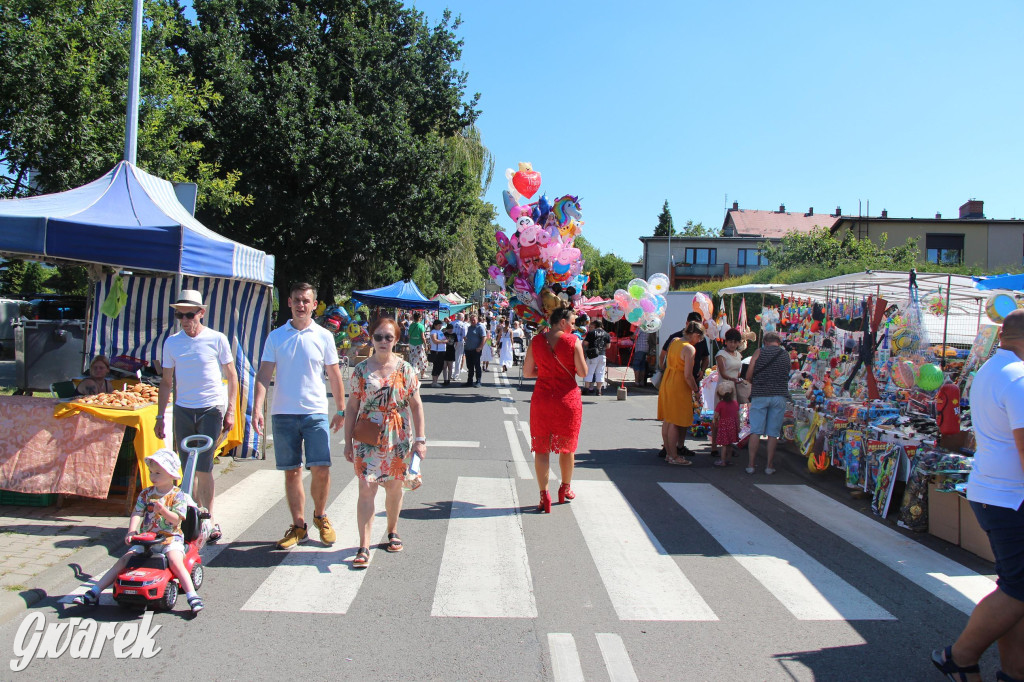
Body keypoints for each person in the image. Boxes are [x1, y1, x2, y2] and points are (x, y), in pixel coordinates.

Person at [933, 310, 1024, 682]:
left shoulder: (991, 370)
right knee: (1018, 589)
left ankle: (1013, 671)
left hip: (994, 491)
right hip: (1010, 497)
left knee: (1015, 589)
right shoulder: (1018, 378)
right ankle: (960, 655)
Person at [253, 282, 346, 550]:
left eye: (306, 300)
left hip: (314, 412)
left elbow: (334, 374)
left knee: (321, 469)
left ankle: (320, 516)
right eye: (297, 300)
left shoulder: (324, 336)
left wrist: (340, 409)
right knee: (292, 472)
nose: (301, 305)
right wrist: (258, 408)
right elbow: (264, 374)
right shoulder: (276, 337)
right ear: (289, 303)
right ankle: (298, 525)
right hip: (283, 413)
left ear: (314, 305)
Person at [71, 449, 203, 614]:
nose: (153, 476)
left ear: (171, 474)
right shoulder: (146, 494)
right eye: (151, 472)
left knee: (175, 560)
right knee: (124, 560)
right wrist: (132, 531)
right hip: (147, 539)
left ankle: (192, 595)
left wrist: (163, 510)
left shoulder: (178, 496)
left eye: (158, 473)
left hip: (170, 538)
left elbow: (176, 519)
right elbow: (137, 513)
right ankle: (94, 592)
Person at [155, 289, 238, 544]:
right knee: (184, 466)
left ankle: (209, 519)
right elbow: (166, 381)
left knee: (203, 466)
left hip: (210, 408)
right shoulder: (172, 342)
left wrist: (231, 409)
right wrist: (160, 416)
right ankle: (189, 514)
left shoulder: (216, 339)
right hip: (183, 408)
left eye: (189, 314)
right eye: (180, 314)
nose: (185, 320)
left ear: (201, 313)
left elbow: (232, 375)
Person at [343, 317, 427, 567]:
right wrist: (347, 442)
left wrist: (420, 440)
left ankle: (392, 530)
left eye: (388, 337)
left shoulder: (406, 369)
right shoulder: (361, 370)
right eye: (378, 336)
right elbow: (351, 407)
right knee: (366, 489)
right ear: (371, 338)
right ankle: (364, 545)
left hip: (398, 436)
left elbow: (416, 405)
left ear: (396, 340)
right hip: (368, 436)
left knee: (393, 487)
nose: (382, 341)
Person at [523, 306, 586, 513]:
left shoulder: (536, 341)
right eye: (573, 322)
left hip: (542, 398)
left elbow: (527, 372)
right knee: (567, 447)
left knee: (542, 448)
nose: (574, 326)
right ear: (562, 322)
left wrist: (546, 371)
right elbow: (583, 373)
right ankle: (565, 489)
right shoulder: (573, 341)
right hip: (567, 399)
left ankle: (544, 495)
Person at [658, 321, 704, 466]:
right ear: (696, 335)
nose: (699, 342)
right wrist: (696, 390)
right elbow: (688, 375)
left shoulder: (675, 341)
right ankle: (673, 456)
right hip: (679, 385)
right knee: (675, 422)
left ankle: (669, 454)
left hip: (668, 380)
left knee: (668, 419)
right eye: (700, 338)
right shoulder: (689, 349)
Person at [745, 331, 790, 474]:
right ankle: (769, 466)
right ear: (778, 342)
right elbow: (787, 373)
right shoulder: (785, 355)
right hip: (779, 396)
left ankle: (751, 465)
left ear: (765, 342)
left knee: (756, 431)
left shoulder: (759, 352)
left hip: (760, 394)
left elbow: (748, 375)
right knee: (773, 433)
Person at [710, 328, 746, 457]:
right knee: (718, 416)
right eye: (730, 341)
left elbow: (739, 371)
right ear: (726, 341)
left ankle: (729, 445)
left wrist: (740, 379)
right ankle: (714, 445)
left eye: (735, 342)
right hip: (723, 388)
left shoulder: (738, 355)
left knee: (733, 417)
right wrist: (734, 379)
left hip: (734, 388)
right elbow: (723, 373)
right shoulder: (721, 354)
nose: (732, 344)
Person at [712, 382, 739, 467]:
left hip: (723, 425)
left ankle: (722, 461)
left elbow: (716, 415)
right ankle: (728, 460)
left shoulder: (720, 404)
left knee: (724, 445)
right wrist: (738, 426)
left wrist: (715, 421)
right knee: (730, 444)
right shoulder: (735, 403)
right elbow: (737, 416)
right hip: (732, 425)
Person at [583, 319, 610, 396]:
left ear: (595, 325)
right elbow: (608, 346)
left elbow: (585, 343)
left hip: (592, 355)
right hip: (602, 355)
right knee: (600, 373)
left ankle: (586, 389)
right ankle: (599, 390)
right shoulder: (606, 334)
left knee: (589, 372)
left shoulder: (591, 333)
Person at [464, 314, 487, 387]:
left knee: (477, 365)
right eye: (471, 320)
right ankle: (469, 380)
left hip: (476, 350)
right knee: (469, 366)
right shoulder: (469, 328)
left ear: (477, 320)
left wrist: (480, 347)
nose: (473, 321)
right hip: (468, 349)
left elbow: (484, 338)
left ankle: (478, 381)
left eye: (474, 320)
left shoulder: (480, 327)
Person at [407, 312, 427, 380]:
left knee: (413, 359)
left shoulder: (411, 325)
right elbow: (423, 337)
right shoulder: (421, 326)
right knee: (421, 359)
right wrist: (426, 344)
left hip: (412, 343)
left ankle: (413, 373)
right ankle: (422, 374)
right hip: (419, 344)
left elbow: (409, 335)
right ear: (419, 318)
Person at [428, 319, 447, 387]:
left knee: (441, 365)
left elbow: (444, 339)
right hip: (436, 351)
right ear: (435, 325)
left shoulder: (440, 331)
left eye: (440, 325)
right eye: (439, 325)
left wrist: (445, 340)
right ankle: (434, 381)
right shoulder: (433, 331)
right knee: (437, 365)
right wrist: (443, 341)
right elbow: (435, 340)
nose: (440, 326)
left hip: (442, 350)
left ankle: (435, 380)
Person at [452, 312, 468, 379]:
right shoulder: (463, 325)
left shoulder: (451, 323)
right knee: (458, 358)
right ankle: (456, 375)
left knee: (452, 358)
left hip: (451, 342)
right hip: (460, 341)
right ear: (462, 318)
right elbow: (465, 335)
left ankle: (451, 373)